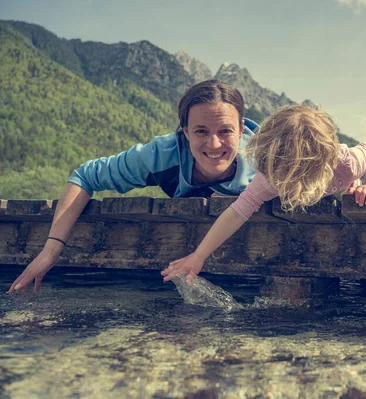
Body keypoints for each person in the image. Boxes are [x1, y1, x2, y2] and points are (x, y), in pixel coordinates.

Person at [9, 80, 258, 293]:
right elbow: (84, 176)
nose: (214, 144)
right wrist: (51, 250)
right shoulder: (161, 155)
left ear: (240, 131)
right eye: (201, 131)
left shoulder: (266, 161)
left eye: (225, 130)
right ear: (185, 133)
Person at [161, 105, 366, 284]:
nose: (287, 177)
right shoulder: (270, 176)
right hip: (296, 202)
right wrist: (199, 256)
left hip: (342, 195)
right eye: (283, 172)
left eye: (295, 173)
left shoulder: (347, 164)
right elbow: (237, 212)